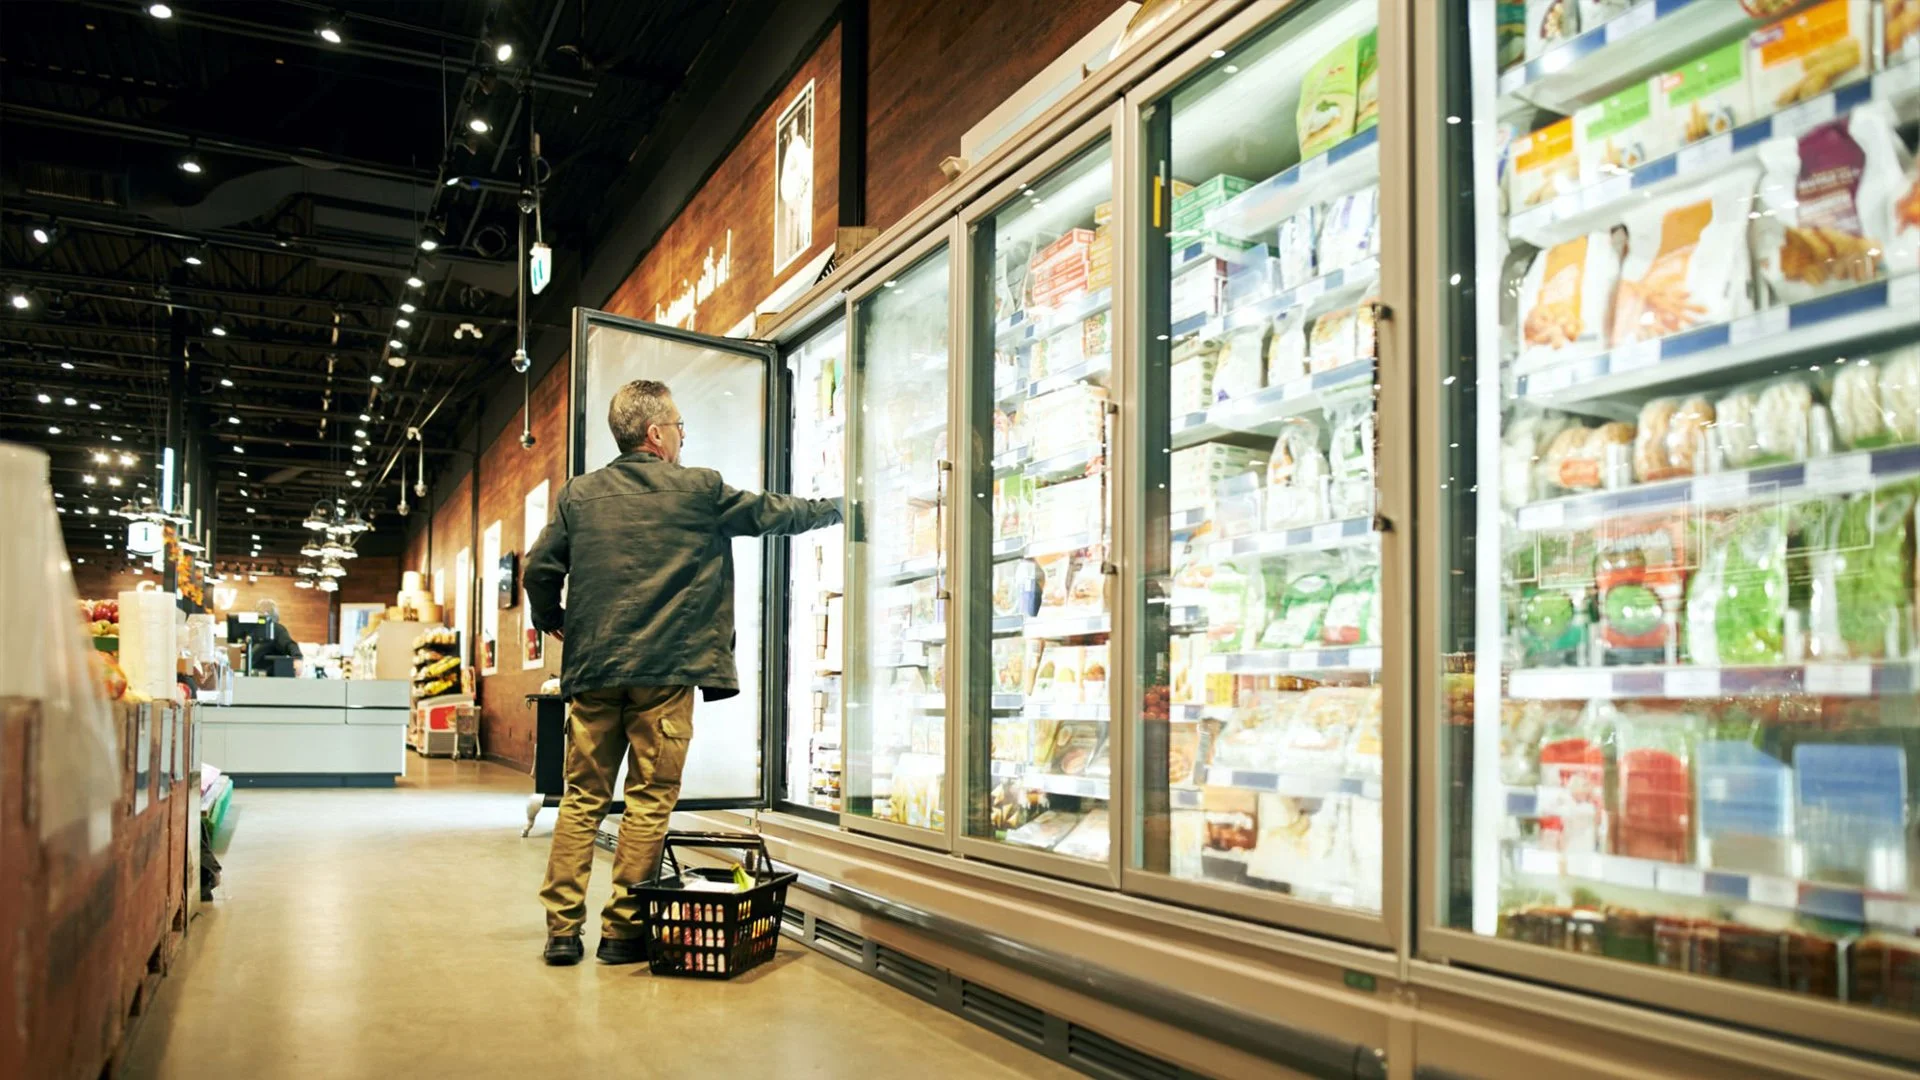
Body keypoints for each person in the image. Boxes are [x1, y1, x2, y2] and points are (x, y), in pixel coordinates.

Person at [523, 378, 840, 966]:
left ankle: (562, 932)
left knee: (581, 799)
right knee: (649, 800)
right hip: (666, 674)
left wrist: (553, 618)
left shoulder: (578, 496)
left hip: (594, 673)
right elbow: (775, 513)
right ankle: (622, 933)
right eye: (679, 426)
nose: (683, 435)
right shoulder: (700, 490)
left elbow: (540, 569)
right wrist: (840, 510)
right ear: (655, 433)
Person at [249, 599, 301, 676]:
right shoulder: (255, 631)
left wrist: (297, 658)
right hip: (257, 676)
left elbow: (289, 645)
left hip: (271, 678)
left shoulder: (276, 629)